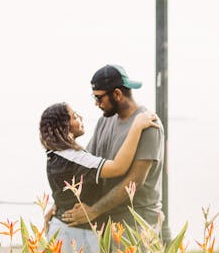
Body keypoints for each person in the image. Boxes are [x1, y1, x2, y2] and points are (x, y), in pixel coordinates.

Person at [39, 101, 158, 253]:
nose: (79, 117)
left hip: (62, 230)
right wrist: (136, 127)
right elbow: (119, 167)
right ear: (65, 127)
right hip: (78, 235)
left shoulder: (56, 154)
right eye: (74, 116)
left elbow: (64, 187)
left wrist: (57, 203)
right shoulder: (76, 158)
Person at [61, 64, 164, 231]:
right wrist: (59, 204)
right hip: (106, 220)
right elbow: (85, 166)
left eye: (99, 98)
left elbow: (135, 181)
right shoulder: (105, 121)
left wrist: (93, 211)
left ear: (117, 94)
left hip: (137, 224)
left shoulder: (149, 124)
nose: (96, 104)